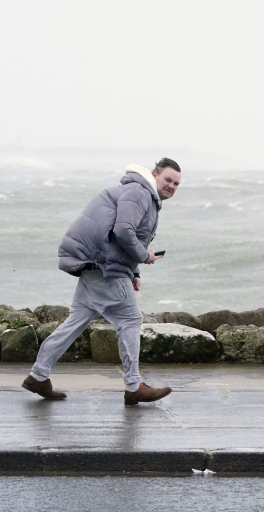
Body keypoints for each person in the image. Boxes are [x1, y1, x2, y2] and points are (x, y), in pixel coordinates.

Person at [22, 158, 182, 405]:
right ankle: (134, 386)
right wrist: (144, 257)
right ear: (154, 175)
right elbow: (123, 232)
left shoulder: (139, 193)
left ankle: (38, 376)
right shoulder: (140, 193)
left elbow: (124, 235)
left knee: (74, 322)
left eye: (176, 183)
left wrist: (135, 272)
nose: (171, 186)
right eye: (168, 179)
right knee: (130, 320)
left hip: (94, 264)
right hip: (103, 267)